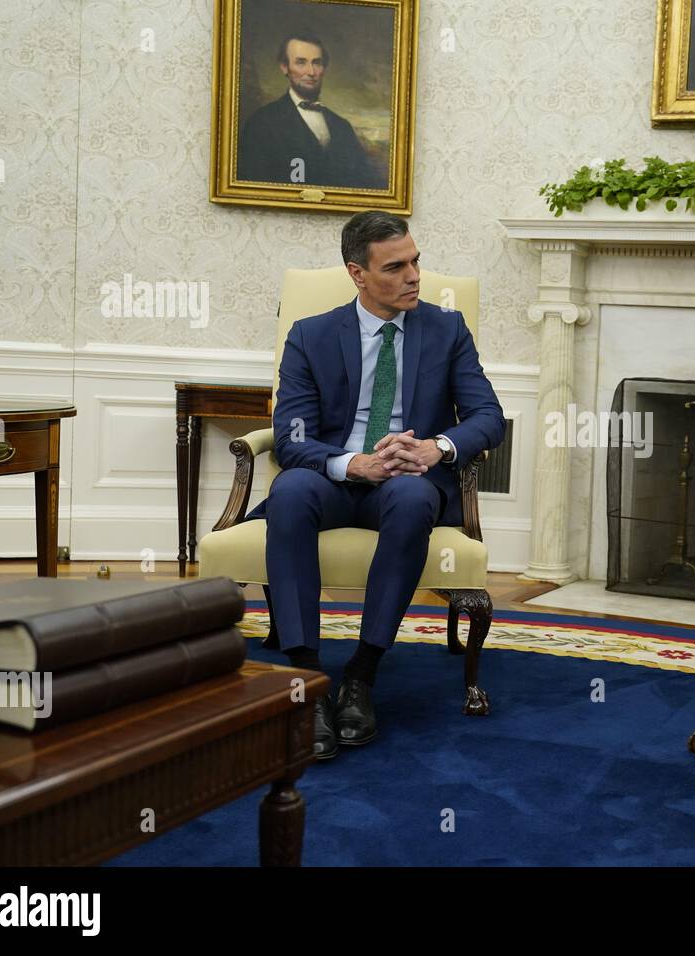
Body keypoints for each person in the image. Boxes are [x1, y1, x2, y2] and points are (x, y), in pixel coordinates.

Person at [246, 211, 505, 760]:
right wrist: (351, 464)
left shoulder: (446, 329)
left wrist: (437, 448)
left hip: (407, 481)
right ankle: (308, 680)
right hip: (337, 477)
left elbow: (487, 417)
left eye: (416, 261)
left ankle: (362, 675)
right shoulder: (311, 335)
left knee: (413, 497)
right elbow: (290, 438)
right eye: (396, 267)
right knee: (290, 490)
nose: (414, 276)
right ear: (357, 274)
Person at [238, 33, 387, 189]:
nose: (311, 72)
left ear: (324, 68)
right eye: (301, 62)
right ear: (284, 67)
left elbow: (363, 184)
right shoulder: (261, 122)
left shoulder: (342, 127)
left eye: (317, 63)